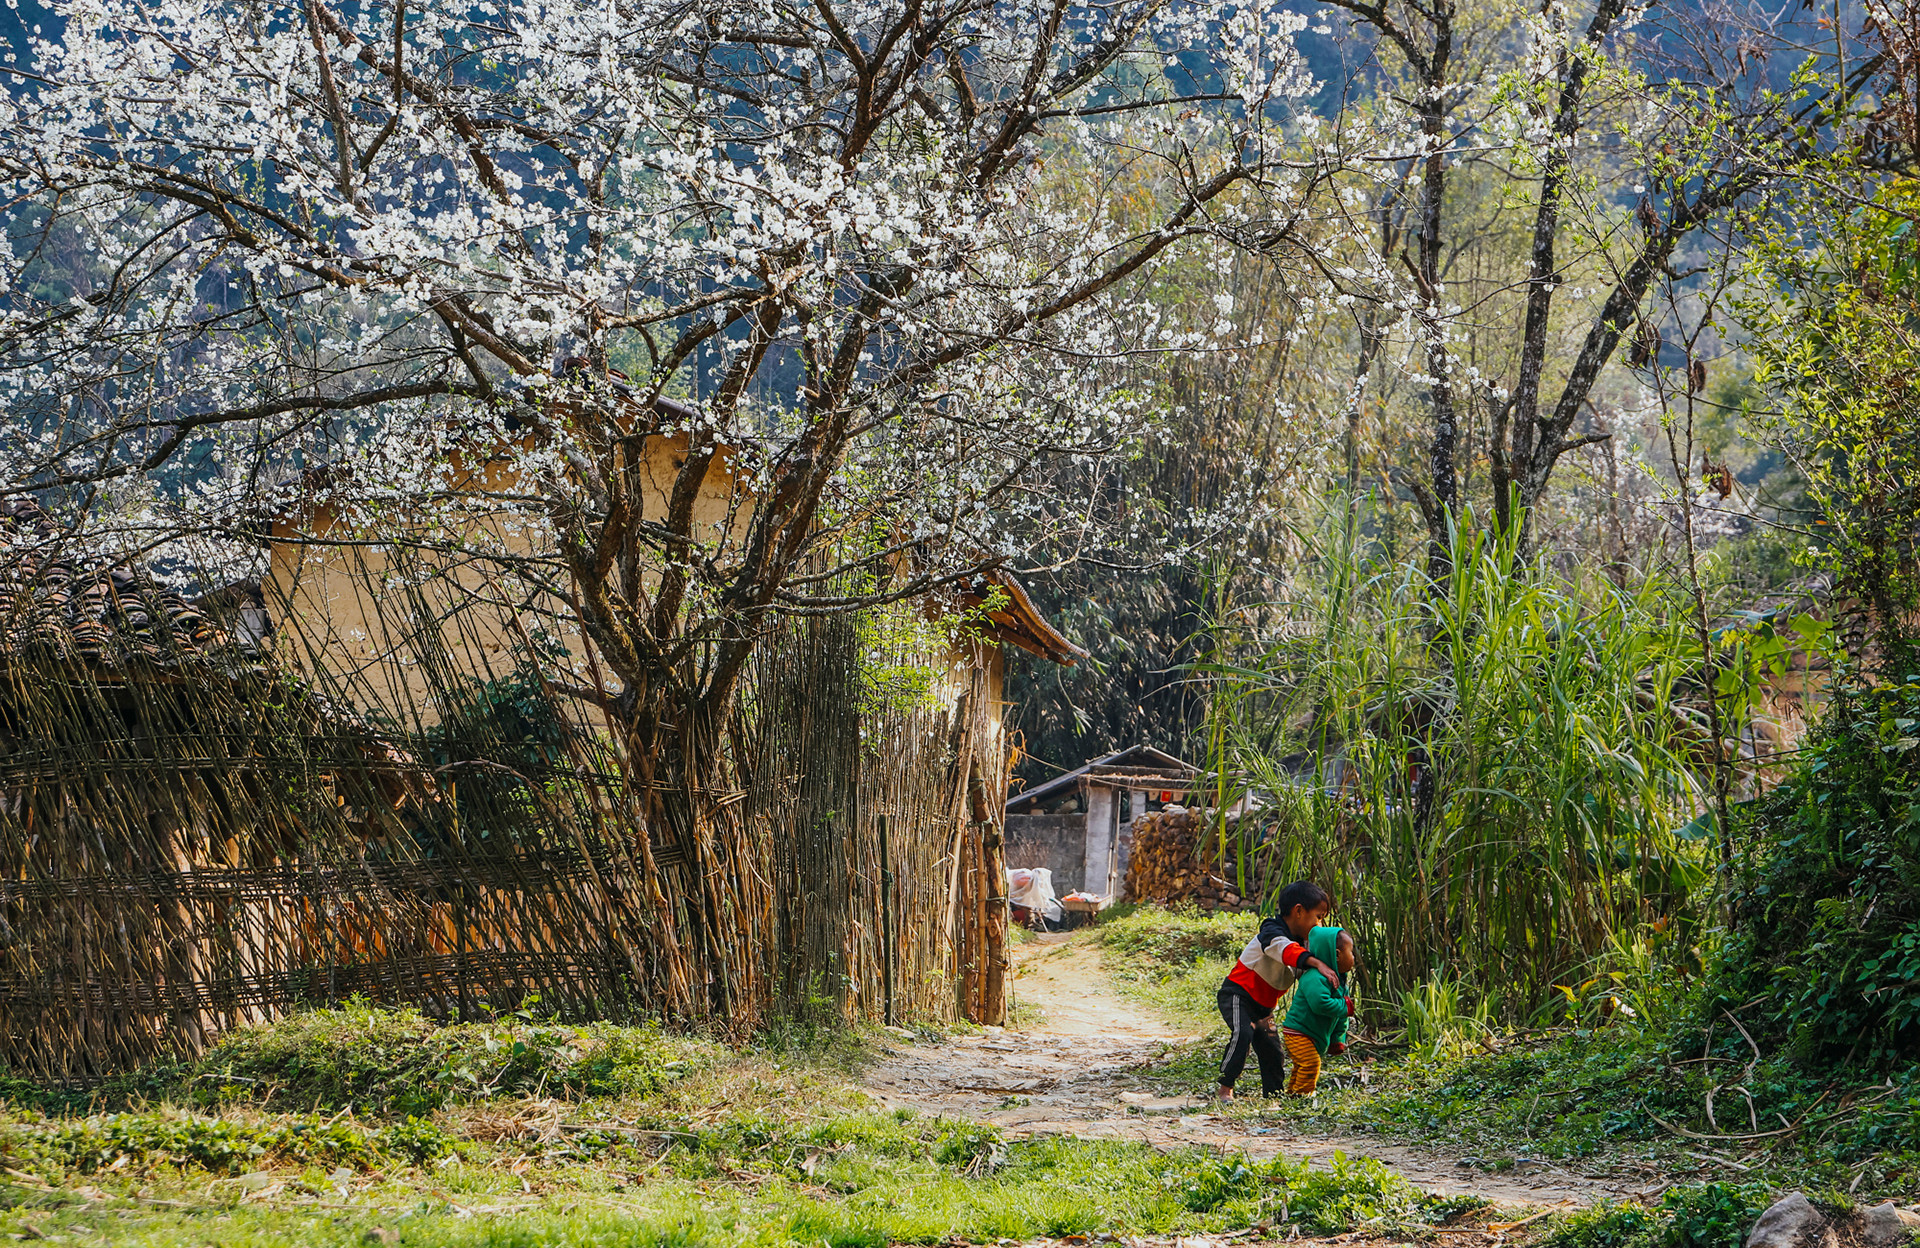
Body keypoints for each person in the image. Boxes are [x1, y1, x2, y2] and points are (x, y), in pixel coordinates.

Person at [1215, 880, 1339, 1101]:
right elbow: (1285, 950)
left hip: (1264, 1007)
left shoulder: (1305, 944)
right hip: (1238, 995)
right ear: (1299, 911)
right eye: (1318, 916)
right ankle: (1226, 1088)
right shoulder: (1272, 931)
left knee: (1273, 1051)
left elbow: (1307, 975)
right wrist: (1317, 963)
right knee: (1242, 1033)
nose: (1320, 924)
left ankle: (1273, 1094)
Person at [1280, 924, 1355, 1097]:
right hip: (1298, 1031)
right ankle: (1303, 1096)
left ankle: (1292, 1094)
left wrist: (1337, 1039)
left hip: (1312, 1034)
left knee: (1302, 1066)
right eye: (1351, 953)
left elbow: (1341, 1016)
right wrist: (1345, 1006)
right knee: (1310, 1063)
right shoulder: (1315, 977)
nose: (1354, 958)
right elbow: (1320, 1004)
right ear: (1337, 955)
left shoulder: (1341, 982)